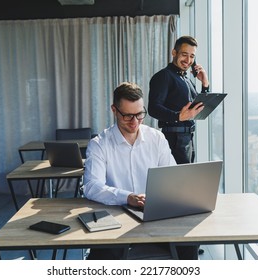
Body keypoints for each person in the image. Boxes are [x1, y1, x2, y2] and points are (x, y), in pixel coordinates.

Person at [83, 82, 198, 260]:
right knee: (104, 256)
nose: (135, 122)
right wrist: (128, 197)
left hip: (157, 217)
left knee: (189, 245)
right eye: (128, 116)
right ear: (114, 110)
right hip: (117, 218)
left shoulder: (157, 138)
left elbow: (174, 177)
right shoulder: (99, 144)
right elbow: (91, 186)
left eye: (139, 114)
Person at [148, 35, 210, 164]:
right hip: (174, 139)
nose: (188, 60)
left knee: (187, 179)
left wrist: (205, 84)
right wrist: (178, 116)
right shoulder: (164, 76)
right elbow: (153, 108)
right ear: (174, 53)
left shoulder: (186, 79)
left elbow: (198, 109)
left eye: (192, 56)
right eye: (184, 54)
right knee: (181, 181)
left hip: (187, 138)